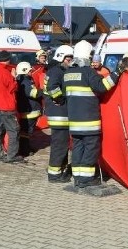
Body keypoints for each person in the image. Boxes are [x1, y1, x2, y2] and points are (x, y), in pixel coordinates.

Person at [63, 41, 119, 188]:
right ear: (88, 55)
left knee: (77, 148)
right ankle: (87, 179)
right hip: (88, 121)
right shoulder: (88, 73)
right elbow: (103, 86)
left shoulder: (68, 73)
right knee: (90, 148)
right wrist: (117, 73)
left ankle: (78, 178)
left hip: (74, 121)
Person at [0, 50, 24, 163]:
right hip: (7, 107)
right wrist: (14, 78)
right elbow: (13, 88)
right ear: (7, 60)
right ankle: (11, 155)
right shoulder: (6, 73)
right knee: (13, 131)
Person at [43, 45, 74, 182]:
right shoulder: (56, 72)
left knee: (62, 144)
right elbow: (52, 87)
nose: (70, 61)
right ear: (61, 57)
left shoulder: (56, 70)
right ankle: (54, 174)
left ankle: (59, 169)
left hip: (59, 114)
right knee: (60, 145)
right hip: (59, 114)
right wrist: (60, 99)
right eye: (69, 59)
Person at [15, 61, 42, 157]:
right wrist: (43, 91)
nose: (31, 72)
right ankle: (24, 150)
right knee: (26, 132)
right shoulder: (25, 81)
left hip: (27, 110)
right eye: (30, 70)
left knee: (25, 132)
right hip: (29, 112)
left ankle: (25, 148)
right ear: (25, 71)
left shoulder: (22, 80)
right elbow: (32, 93)